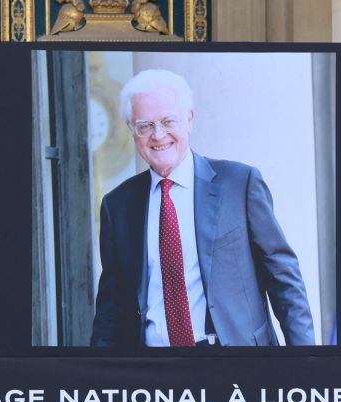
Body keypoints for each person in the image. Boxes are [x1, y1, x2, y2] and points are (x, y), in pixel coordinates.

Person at [90, 68, 315, 348]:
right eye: (144, 125)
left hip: (236, 361)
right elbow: (111, 305)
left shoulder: (239, 184)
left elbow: (283, 278)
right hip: (155, 371)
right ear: (131, 130)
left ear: (189, 119)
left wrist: (307, 361)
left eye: (168, 121)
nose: (158, 135)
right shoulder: (118, 205)